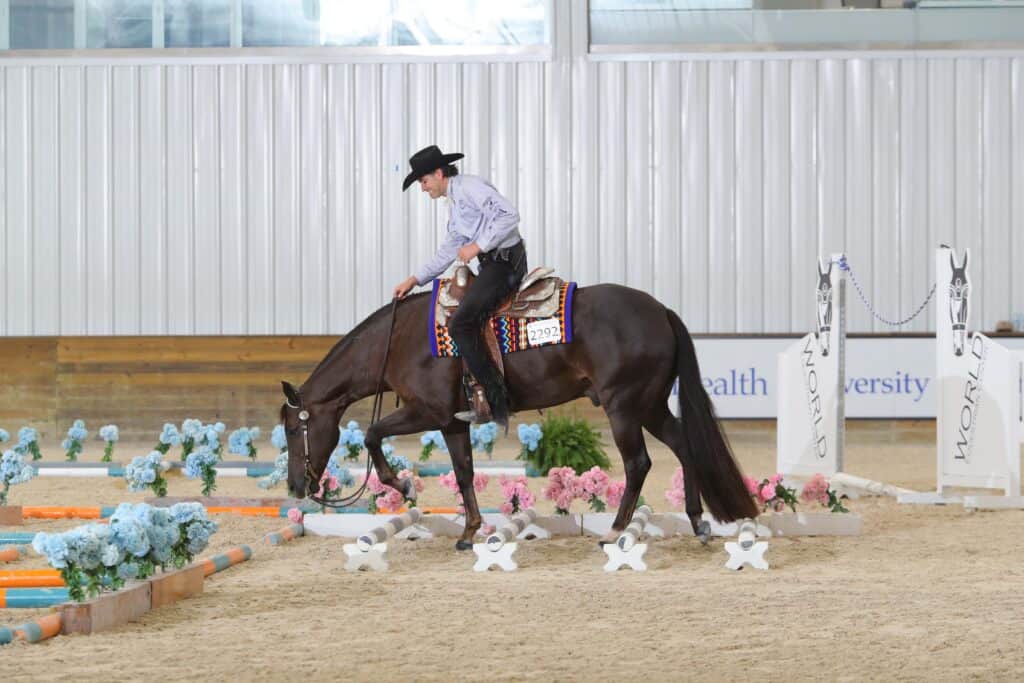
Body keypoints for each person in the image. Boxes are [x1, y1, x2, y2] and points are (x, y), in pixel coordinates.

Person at [393, 145, 527, 428]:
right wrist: (414, 279)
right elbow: (447, 253)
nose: (423, 188)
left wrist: (478, 245)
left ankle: (495, 400)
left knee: (461, 325)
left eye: (424, 181)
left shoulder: (471, 188)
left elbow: (509, 215)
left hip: (505, 264)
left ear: (439, 174)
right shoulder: (455, 207)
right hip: (491, 264)